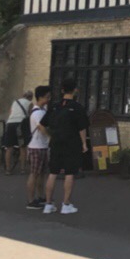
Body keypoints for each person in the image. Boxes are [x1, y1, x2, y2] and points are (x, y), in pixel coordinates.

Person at [43, 78, 89, 215]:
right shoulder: (77, 107)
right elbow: (82, 128)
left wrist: (51, 136)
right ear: (75, 90)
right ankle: (66, 204)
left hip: (56, 141)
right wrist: (84, 143)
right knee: (70, 172)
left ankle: (48, 204)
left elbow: (43, 123)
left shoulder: (55, 106)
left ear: (62, 90)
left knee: (53, 172)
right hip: (71, 142)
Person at [22, 86, 50, 209]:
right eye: (47, 96)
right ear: (40, 97)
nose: (48, 99)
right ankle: (31, 200)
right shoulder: (37, 112)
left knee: (42, 173)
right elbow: (41, 127)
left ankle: (40, 196)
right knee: (34, 173)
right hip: (36, 146)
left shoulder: (43, 111)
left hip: (42, 146)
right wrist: (51, 137)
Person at [2, 91, 30, 174]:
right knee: (22, 147)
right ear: (31, 97)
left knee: (9, 147)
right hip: (20, 124)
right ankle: (22, 169)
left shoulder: (15, 102)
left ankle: (8, 169)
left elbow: (11, 112)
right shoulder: (29, 103)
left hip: (10, 123)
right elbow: (30, 115)